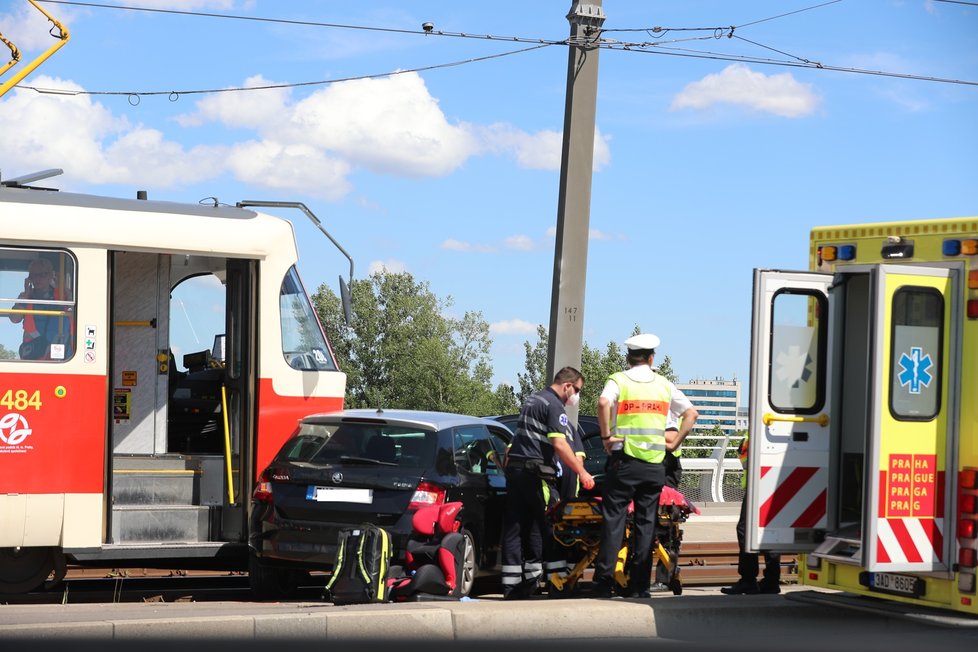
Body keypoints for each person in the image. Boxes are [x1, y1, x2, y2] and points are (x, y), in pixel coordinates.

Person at [589, 333, 699, 598]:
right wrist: (672, 444)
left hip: (624, 461)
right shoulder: (664, 385)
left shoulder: (619, 380)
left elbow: (603, 402)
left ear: (629, 358)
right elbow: (691, 413)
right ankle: (639, 587)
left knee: (614, 521)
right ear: (652, 358)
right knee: (645, 525)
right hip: (653, 465)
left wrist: (605, 437)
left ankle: (604, 583)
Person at [501, 366, 596, 600]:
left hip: (516, 471)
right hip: (537, 474)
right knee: (551, 527)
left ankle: (512, 587)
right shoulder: (554, 405)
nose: (577, 395)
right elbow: (560, 444)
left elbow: (517, 441)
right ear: (567, 386)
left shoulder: (533, 399)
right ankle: (557, 583)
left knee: (516, 528)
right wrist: (582, 473)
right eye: (577, 390)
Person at [721, 433, 782, 595]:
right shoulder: (761, 431)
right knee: (769, 530)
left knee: (745, 531)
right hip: (770, 481)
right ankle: (771, 580)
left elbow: (745, 457)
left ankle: (748, 580)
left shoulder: (756, 430)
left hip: (759, 484)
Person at [8, 257, 68, 360]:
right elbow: (15, 319)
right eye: (34, 275)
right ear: (30, 278)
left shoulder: (63, 295)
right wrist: (25, 297)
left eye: (43, 275)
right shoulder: (25, 297)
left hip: (59, 351)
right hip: (34, 352)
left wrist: (62, 287)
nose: (38, 279)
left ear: (50, 276)